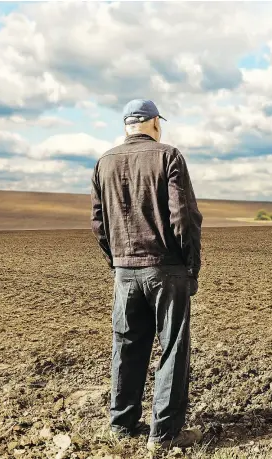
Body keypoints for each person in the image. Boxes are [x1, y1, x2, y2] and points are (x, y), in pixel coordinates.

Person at [90, 99, 203, 451]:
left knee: (126, 345)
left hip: (125, 270)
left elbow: (98, 223)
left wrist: (116, 261)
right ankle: (164, 435)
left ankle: (121, 425)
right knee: (172, 348)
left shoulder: (103, 163)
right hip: (166, 268)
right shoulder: (169, 156)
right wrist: (191, 265)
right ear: (154, 123)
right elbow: (183, 217)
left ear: (127, 125)